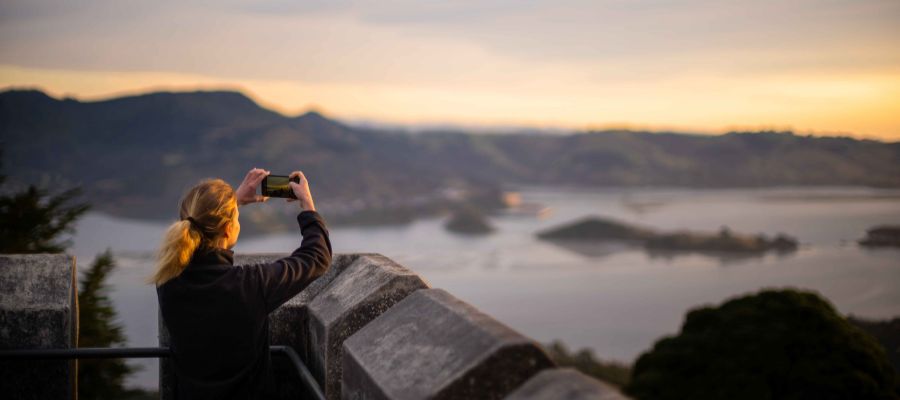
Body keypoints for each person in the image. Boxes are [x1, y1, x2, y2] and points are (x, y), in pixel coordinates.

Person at [151, 168, 332, 400]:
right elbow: (316, 257)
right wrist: (308, 204)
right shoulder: (250, 285)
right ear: (229, 229)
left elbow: (199, 224)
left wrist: (231, 203)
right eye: (235, 218)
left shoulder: (167, 279)